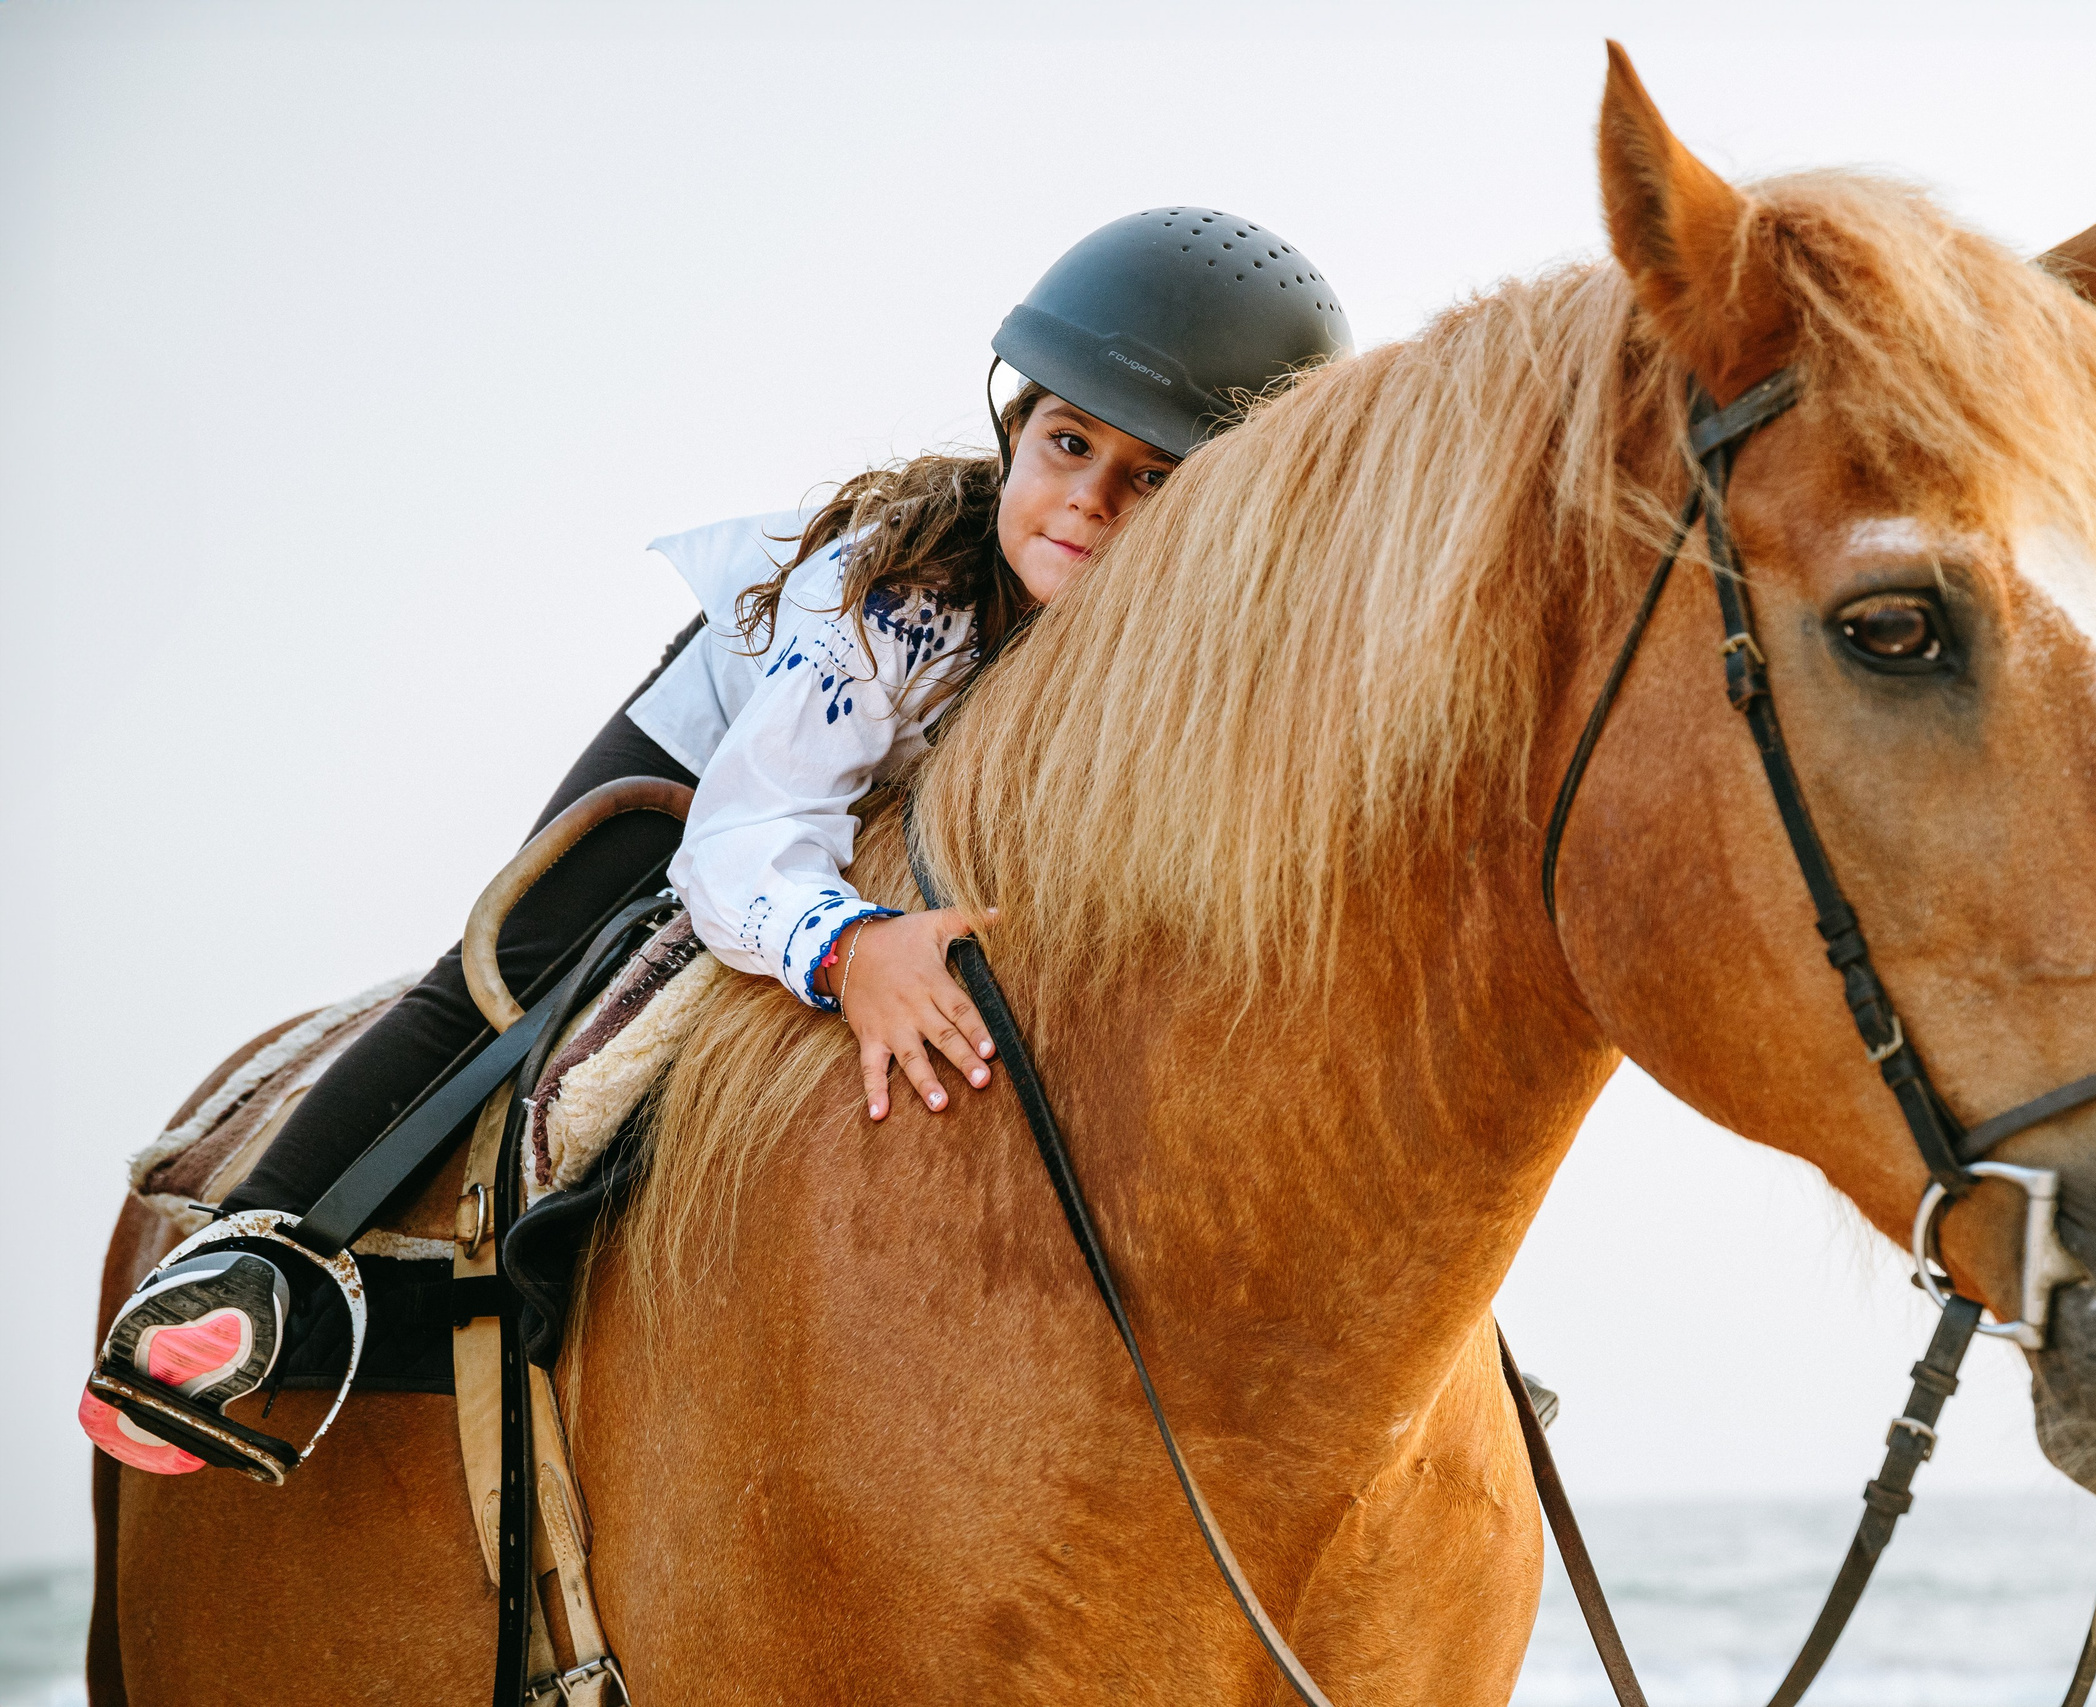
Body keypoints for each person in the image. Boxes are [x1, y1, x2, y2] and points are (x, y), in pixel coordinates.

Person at [83, 208, 1354, 1478]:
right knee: (506, 976)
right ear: (1015, 430)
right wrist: (849, 953)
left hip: (908, 798)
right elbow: (746, 841)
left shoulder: (1192, 663)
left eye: (1151, 480)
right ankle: (241, 1265)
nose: (1085, 502)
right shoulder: (904, 599)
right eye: (1068, 444)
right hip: (726, 764)